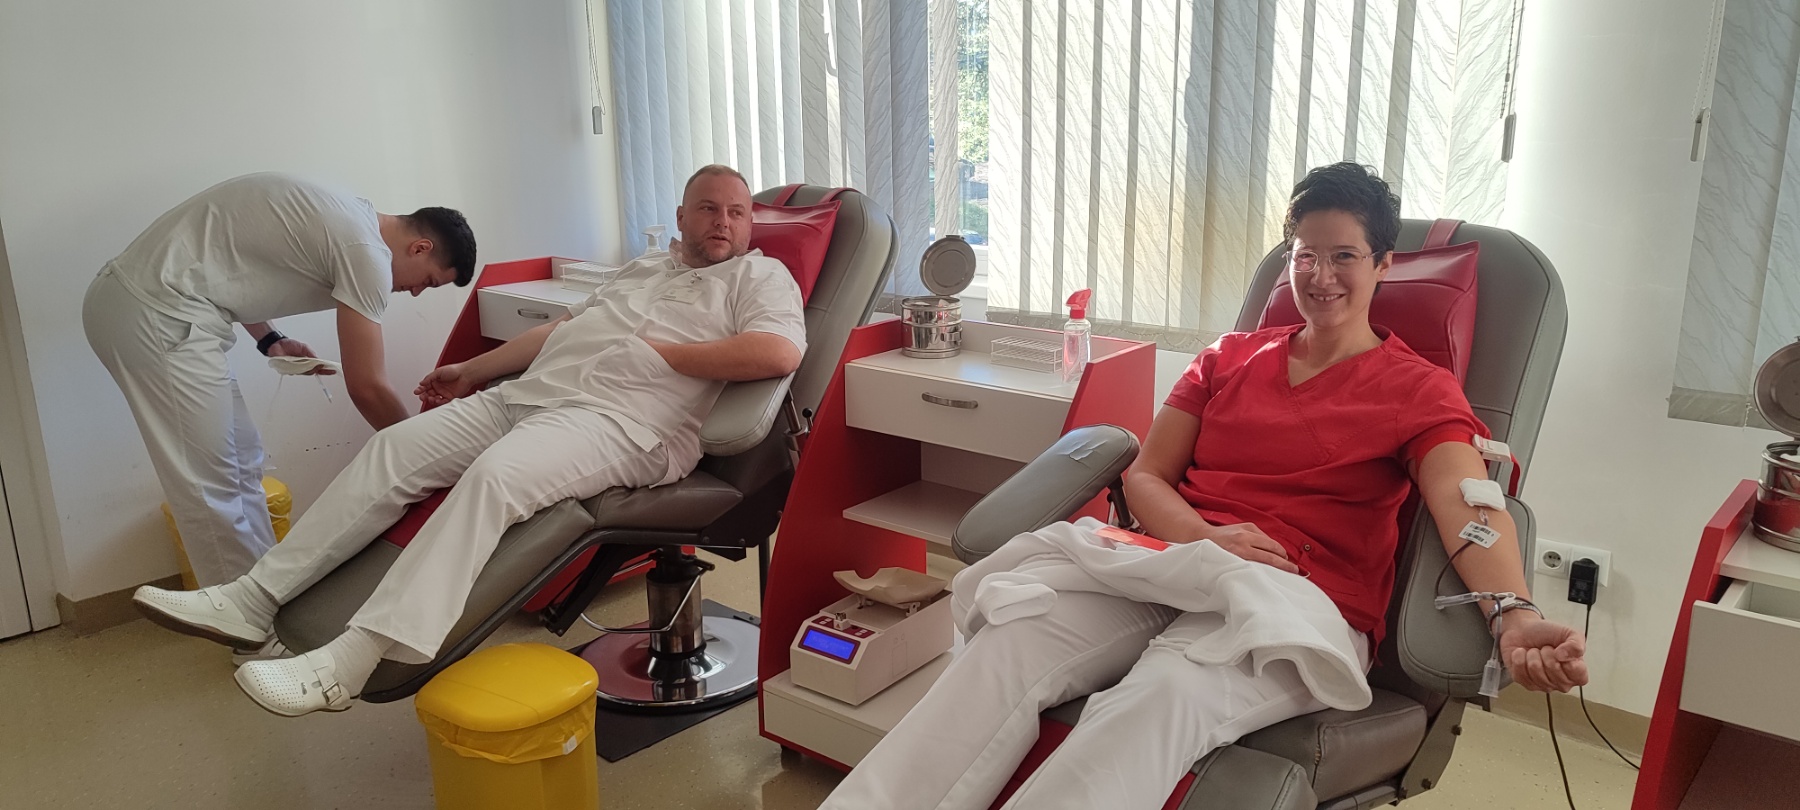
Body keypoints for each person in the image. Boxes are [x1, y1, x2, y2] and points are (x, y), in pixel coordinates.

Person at [819, 162, 1589, 810]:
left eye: (1345, 257)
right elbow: (1148, 475)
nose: (1320, 276)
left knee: (1160, 697)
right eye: (1306, 254)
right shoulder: (1229, 357)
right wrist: (1204, 537)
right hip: (1172, 562)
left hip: (1293, 597)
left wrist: (1514, 614)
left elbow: (1468, 504)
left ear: (1384, 265)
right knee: (1008, 646)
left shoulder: (1416, 389)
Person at [131, 164, 807, 717]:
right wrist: (473, 371)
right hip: (528, 397)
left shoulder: (758, 277)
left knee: (494, 479)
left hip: (625, 422)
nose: (722, 222)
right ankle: (252, 599)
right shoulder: (642, 268)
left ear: (750, 224)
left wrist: (662, 354)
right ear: (681, 215)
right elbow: (560, 330)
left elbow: (778, 352)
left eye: (736, 212)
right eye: (708, 208)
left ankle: (352, 659)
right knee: (393, 448)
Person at [85, 172, 477, 590]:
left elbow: (230, 261)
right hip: (156, 312)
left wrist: (271, 339)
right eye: (428, 281)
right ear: (421, 248)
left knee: (242, 463)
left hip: (160, 307)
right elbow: (368, 386)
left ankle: (259, 594)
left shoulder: (351, 217)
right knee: (211, 487)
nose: (416, 292)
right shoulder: (367, 253)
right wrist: (424, 453)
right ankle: (238, 619)